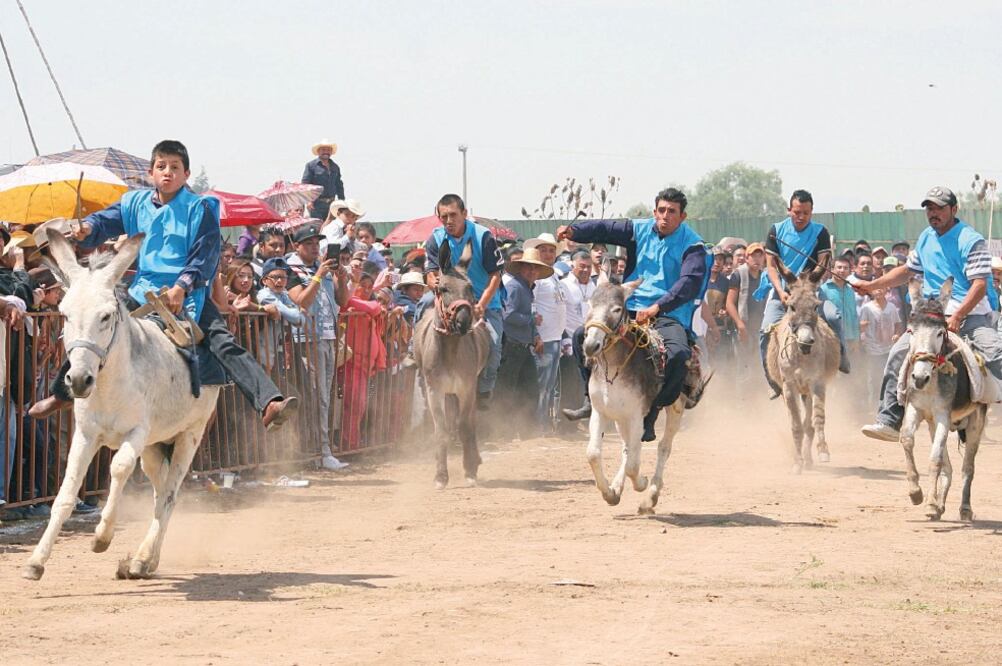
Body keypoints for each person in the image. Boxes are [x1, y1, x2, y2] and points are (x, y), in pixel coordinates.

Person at [28, 140, 299, 433]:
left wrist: (183, 285)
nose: (167, 172)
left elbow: (206, 254)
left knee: (222, 340)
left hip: (189, 292)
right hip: (141, 288)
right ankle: (61, 392)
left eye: (174, 167)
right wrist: (88, 228)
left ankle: (268, 402)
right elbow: (105, 221)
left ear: (186, 174)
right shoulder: (132, 203)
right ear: (151, 172)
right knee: (94, 322)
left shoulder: (201, 207)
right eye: (161, 166)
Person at [556, 187, 711, 442]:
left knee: (678, 355)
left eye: (672, 212)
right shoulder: (638, 229)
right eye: (661, 210)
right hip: (628, 309)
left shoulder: (693, 245)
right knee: (581, 336)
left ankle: (652, 412)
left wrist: (658, 307)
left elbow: (689, 283)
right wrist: (575, 232)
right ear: (654, 211)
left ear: (682, 216)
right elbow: (605, 228)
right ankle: (590, 398)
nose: (665, 216)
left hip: (667, 314)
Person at [860, 186, 1002, 441]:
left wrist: (957, 317)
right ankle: (890, 419)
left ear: (954, 210)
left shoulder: (971, 240)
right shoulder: (926, 237)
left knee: (995, 353)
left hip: (972, 313)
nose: (933, 213)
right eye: (929, 208)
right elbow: (907, 271)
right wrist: (872, 285)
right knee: (897, 353)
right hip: (932, 315)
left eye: (939, 208)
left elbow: (980, 286)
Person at [755, 189, 850, 397]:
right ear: (790, 210)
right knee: (764, 332)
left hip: (811, 292)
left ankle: (841, 357)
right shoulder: (776, 230)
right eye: (797, 212)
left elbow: (823, 263)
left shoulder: (820, 232)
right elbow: (771, 266)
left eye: (805, 213)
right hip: (783, 292)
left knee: (833, 316)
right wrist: (781, 291)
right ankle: (773, 380)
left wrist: (809, 285)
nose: (801, 217)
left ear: (811, 212)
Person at [422, 194, 504, 408]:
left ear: (464, 214)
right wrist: (433, 282)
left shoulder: (483, 236)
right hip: (450, 297)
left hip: (484, 299)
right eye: (443, 216)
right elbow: (430, 272)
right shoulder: (435, 238)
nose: (448, 221)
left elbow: (496, 274)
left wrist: (481, 304)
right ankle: (416, 353)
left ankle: (483, 390)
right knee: (423, 304)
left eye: (453, 215)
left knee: (494, 344)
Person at [286, 223, 350, 469]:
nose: (314, 248)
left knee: (325, 395)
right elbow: (301, 301)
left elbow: (342, 300)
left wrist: (340, 279)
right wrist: (318, 276)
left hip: (328, 336)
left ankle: (323, 451)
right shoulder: (289, 268)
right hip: (305, 341)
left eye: (316, 243)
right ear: (296, 246)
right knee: (316, 396)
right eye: (309, 243)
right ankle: (318, 451)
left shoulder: (319, 267)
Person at [496, 247, 548, 439]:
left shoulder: (525, 288)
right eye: (528, 268)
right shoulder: (515, 287)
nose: (532, 272)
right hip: (512, 345)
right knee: (510, 389)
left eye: (535, 269)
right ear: (521, 269)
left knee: (528, 389)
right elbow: (508, 315)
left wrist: (535, 336)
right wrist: (531, 321)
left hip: (523, 345)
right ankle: (505, 431)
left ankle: (525, 430)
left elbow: (527, 316)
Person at [524, 234, 567, 430]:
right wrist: (535, 327)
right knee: (542, 385)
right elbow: (529, 300)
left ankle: (545, 423)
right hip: (544, 337)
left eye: (551, 250)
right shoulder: (538, 278)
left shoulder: (555, 275)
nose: (548, 254)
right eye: (544, 250)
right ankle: (539, 424)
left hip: (555, 336)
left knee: (549, 386)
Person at [858, 287, 902, 405]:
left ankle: (889, 402)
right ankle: (875, 403)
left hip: (889, 348)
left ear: (886, 290)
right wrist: (862, 325)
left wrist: (897, 334)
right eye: (876, 288)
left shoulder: (891, 307)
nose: (878, 290)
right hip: (873, 349)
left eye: (881, 288)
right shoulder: (867, 308)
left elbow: (898, 323)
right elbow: (860, 327)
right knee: (874, 377)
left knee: (890, 375)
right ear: (871, 291)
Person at [725, 242, 766, 354]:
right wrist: (740, 325)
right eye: (753, 256)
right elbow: (729, 303)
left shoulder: (765, 276)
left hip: (761, 328)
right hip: (743, 328)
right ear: (747, 258)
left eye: (760, 256)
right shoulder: (738, 275)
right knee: (743, 364)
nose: (757, 259)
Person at [819, 256, 861, 356]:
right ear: (832, 269)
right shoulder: (823, 290)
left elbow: (854, 316)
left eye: (846, 268)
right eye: (839, 267)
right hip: (830, 339)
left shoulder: (850, 291)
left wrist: (856, 338)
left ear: (850, 271)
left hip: (849, 340)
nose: (842, 270)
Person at [302, 139, 344, 221]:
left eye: (328, 150)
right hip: (316, 204)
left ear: (331, 152)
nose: (326, 152)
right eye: (323, 150)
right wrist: (308, 201)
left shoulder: (335, 167)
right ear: (318, 151)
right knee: (318, 226)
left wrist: (342, 201)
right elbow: (305, 184)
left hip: (332, 204)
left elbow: (339, 185)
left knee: (331, 226)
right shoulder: (311, 166)